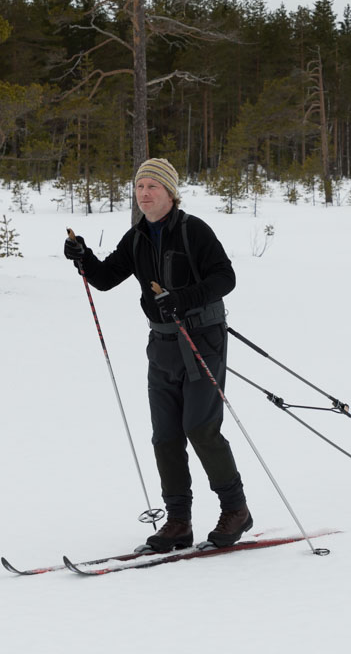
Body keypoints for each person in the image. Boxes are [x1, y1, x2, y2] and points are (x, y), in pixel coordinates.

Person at [64, 158, 251, 552]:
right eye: (139, 187)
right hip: (162, 345)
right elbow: (104, 278)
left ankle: (236, 509)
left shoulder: (193, 231)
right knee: (165, 436)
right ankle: (178, 522)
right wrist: (82, 258)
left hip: (203, 338)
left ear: (170, 192)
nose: (144, 194)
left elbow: (225, 278)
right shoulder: (137, 238)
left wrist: (181, 299)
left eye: (152, 187)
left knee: (200, 428)